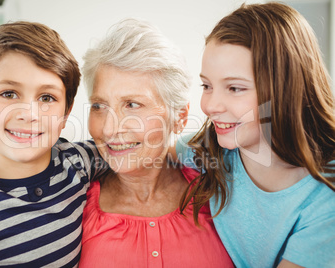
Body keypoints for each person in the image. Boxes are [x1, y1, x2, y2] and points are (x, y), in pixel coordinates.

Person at [174, 2, 335, 267]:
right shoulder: (210, 150)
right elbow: (143, 151)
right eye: (207, 85)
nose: (211, 106)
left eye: (235, 88)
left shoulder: (325, 194)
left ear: (286, 89)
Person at [0, 21, 103, 267]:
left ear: (65, 114)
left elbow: (133, 149)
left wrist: (180, 148)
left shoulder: (77, 162)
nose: (28, 113)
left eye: (47, 97)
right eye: (9, 94)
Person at [78, 18, 233, 267]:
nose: (109, 128)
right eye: (99, 106)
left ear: (179, 117)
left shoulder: (218, 192)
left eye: (132, 105)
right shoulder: (72, 204)